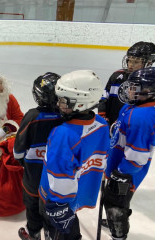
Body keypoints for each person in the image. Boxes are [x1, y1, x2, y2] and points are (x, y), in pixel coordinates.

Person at [38, 70, 110, 239]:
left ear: (81, 103)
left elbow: (60, 176)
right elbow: (104, 156)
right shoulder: (101, 124)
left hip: (56, 199)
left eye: (64, 101)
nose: (58, 104)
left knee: (55, 231)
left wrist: (57, 206)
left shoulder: (63, 135)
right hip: (78, 192)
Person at [103, 67, 155, 240]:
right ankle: (113, 221)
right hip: (118, 165)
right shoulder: (131, 107)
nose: (129, 90)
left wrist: (121, 174)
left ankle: (119, 233)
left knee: (116, 205)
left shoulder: (142, 117)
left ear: (150, 92)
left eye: (135, 87)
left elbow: (138, 156)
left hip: (126, 173)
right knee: (112, 201)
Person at [13, 72, 64, 240]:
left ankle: (34, 234)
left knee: (33, 207)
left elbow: (18, 152)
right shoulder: (66, 118)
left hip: (33, 178)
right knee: (53, 209)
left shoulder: (32, 117)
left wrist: (25, 162)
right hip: (58, 178)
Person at [98, 41, 155, 128]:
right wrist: (102, 116)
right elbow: (104, 97)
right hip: (109, 124)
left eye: (136, 62)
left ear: (148, 63)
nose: (131, 65)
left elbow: (146, 111)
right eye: (130, 60)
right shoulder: (117, 76)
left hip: (130, 127)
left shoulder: (150, 84)